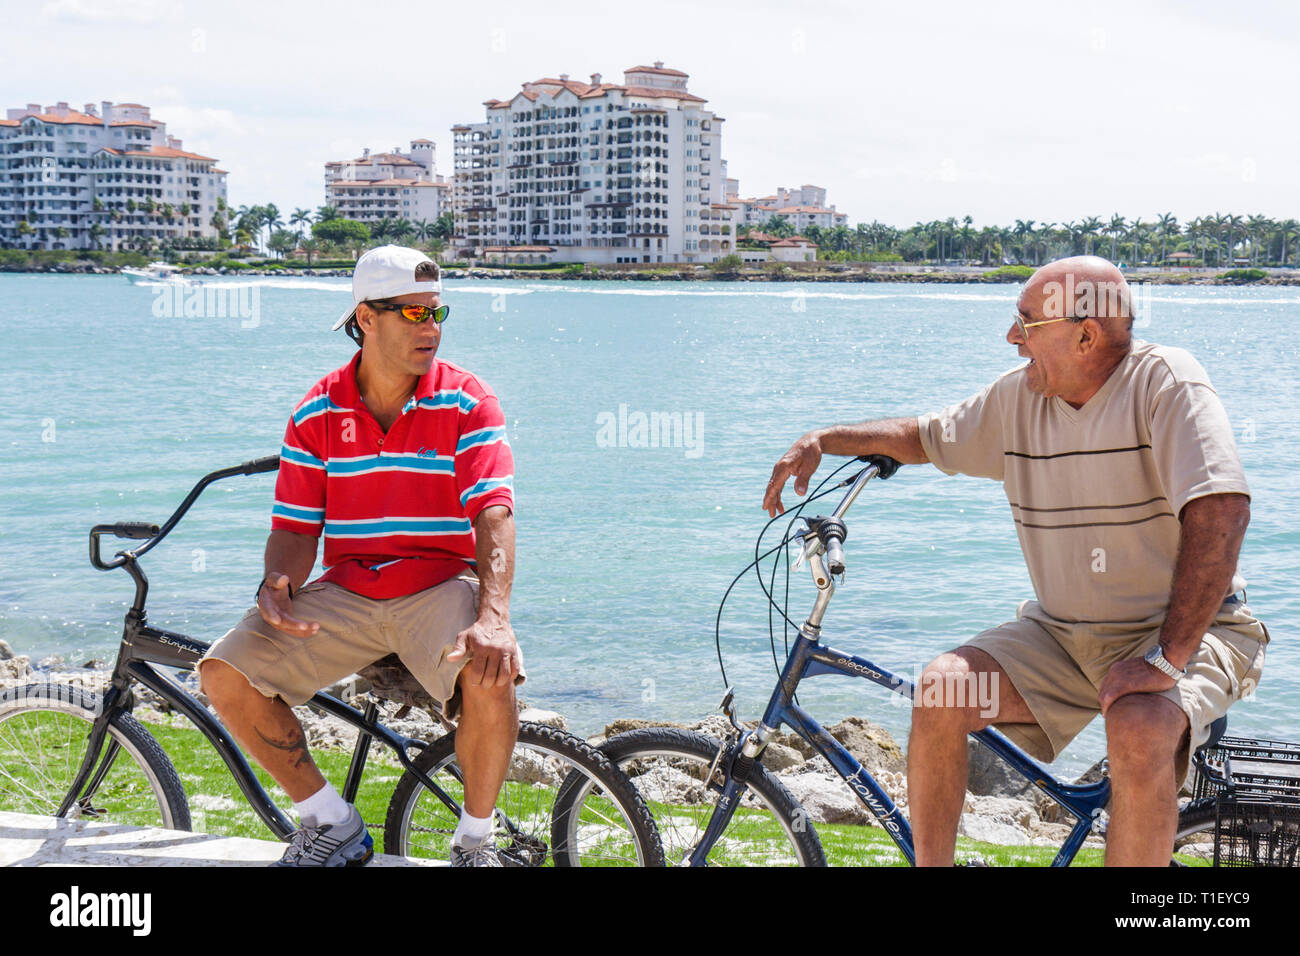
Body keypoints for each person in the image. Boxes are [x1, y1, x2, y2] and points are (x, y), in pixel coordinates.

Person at [762, 256, 1267, 866]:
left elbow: (1222, 512)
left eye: (1025, 323)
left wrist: (1166, 658)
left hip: (1190, 633)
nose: (1011, 338)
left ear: (1085, 334)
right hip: (1064, 635)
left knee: (1140, 727)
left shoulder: (1166, 382)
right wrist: (825, 438)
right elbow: (921, 438)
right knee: (943, 691)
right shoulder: (1018, 398)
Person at [198, 245, 523, 867]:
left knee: (491, 666)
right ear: (365, 318)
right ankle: (330, 821)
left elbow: (494, 511)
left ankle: (476, 841)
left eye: (435, 312)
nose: (429, 327)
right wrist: (278, 584)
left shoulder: (467, 399)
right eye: (410, 313)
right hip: (348, 590)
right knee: (223, 672)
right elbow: (295, 528)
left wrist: (495, 614)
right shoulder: (317, 410)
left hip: (438, 584)